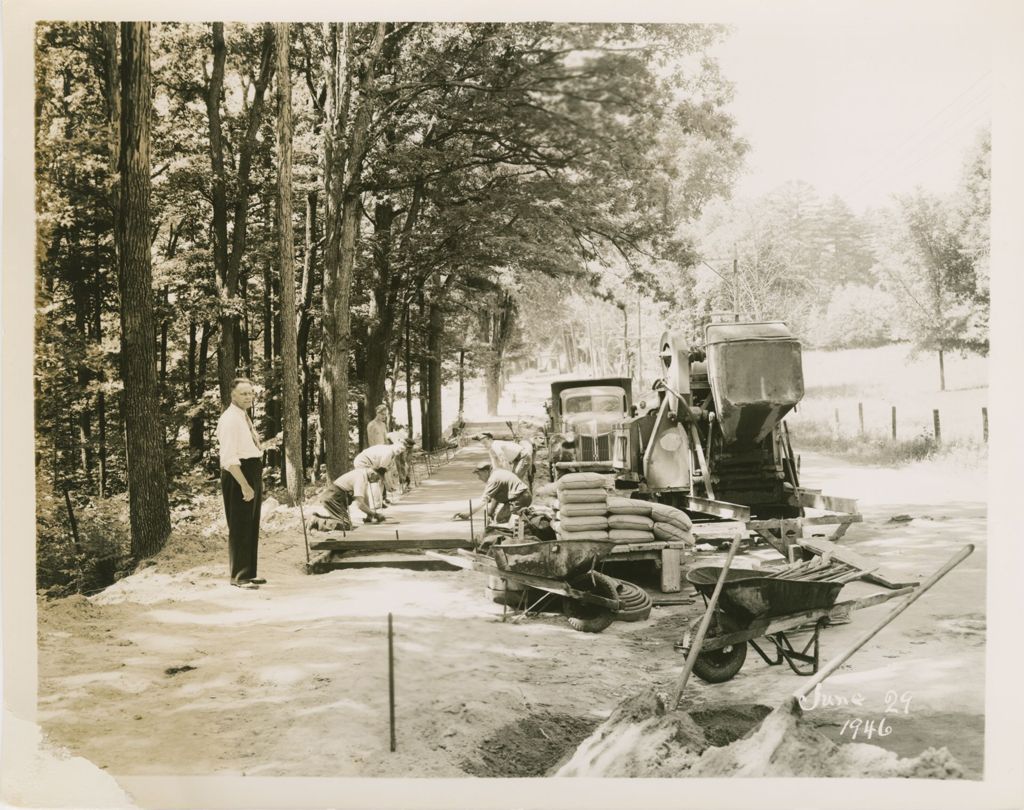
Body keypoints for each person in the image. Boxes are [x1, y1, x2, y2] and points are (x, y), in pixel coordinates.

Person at [216, 378, 279, 590]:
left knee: (251, 524)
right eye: (243, 393)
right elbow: (228, 457)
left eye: (250, 393)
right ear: (232, 395)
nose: (248, 397)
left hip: (251, 469)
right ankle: (239, 576)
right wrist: (244, 484)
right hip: (238, 473)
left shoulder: (243, 417)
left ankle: (249, 572)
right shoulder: (229, 420)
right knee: (240, 524)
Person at [453, 462, 533, 524]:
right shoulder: (496, 473)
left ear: (485, 471)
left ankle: (527, 518)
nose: (479, 478)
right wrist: (490, 513)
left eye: (479, 474)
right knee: (499, 518)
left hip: (521, 498)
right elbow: (495, 497)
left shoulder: (493, 479)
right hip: (521, 496)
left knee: (502, 520)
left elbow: (484, 500)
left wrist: (468, 514)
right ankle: (522, 514)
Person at [319, 467, 387, 527]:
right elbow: (360, 504)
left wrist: (369, 515)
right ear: (372, 474)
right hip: (333, 498)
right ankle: (316, 521)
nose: (377, 481)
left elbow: (365, 497)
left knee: (341, 522)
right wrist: (374, 514)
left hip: (334, 497)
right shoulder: (361, 478)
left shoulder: (363, 475)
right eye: (378, 478)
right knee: (345, 525)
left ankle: (320, 519)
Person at [354, 440, 413, 505]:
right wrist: (388, 485)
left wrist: (390, 484)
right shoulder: (388, 453)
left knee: (380, 481)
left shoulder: (392, 452)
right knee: (375, 481)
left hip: (372, 464)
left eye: (402, 450)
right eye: (400, 448)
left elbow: (387, 471)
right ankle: (375, 504)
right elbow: (381, 472)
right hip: (362, 463)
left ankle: (379, 502)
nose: (400, 451)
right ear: (395, 444)